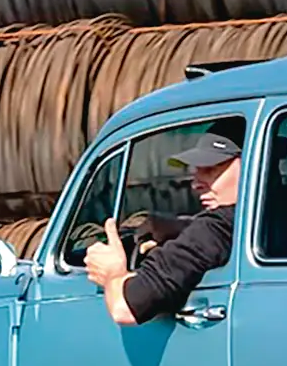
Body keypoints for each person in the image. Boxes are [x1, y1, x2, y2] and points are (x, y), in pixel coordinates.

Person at [83, 127, 242, 326]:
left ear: (251, 165)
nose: (196, 184)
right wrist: (181, 227)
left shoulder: (215, 229)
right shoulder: (277, 215)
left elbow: (124, 309)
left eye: (210, 168)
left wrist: (113, 274)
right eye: (196, 170)